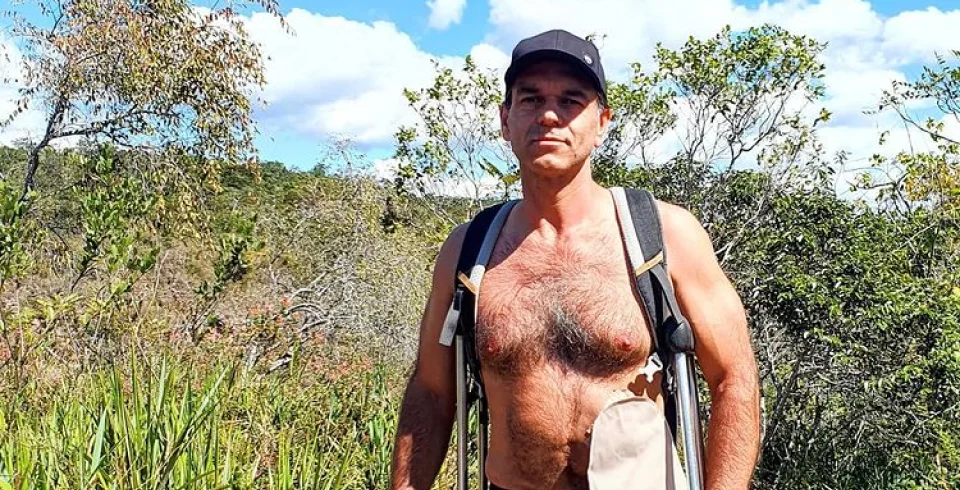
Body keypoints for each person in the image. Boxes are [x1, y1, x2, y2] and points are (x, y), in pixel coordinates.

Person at [390, 28, 761, 490]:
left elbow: (733, 379)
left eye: (571, 101)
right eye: (530, 99)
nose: (549, 115)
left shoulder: (663, 236)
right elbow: (430, 392)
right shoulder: (468, 252)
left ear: (602, 122)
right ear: (505, 121)